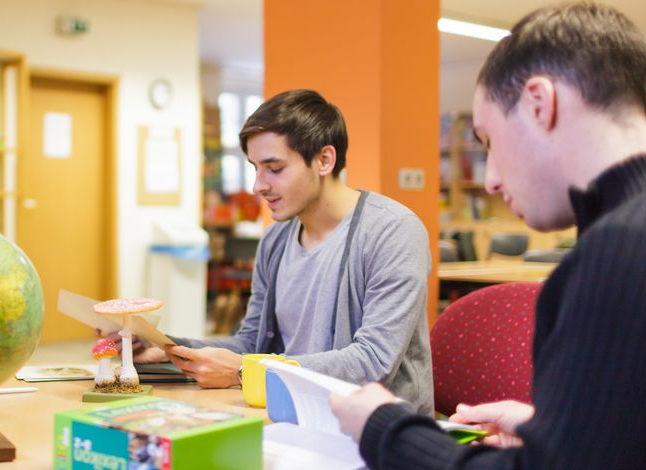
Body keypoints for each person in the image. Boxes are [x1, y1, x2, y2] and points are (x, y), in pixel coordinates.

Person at [329, 3, 646, 469]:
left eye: (489, 141)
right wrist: (559, 426)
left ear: (540, 103)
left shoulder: (618, 252)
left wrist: (385, 426)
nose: (493, 179)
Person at [127, 90, 434, 413]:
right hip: (293, 413)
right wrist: (167, 348)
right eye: (255, 168)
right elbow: (251, 344)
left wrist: (246, 372)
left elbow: (374, 360)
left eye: (274, 169)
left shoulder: (393, 231)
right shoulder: (275, 240)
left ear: (324, 160)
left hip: (377, 431)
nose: (258, 185)